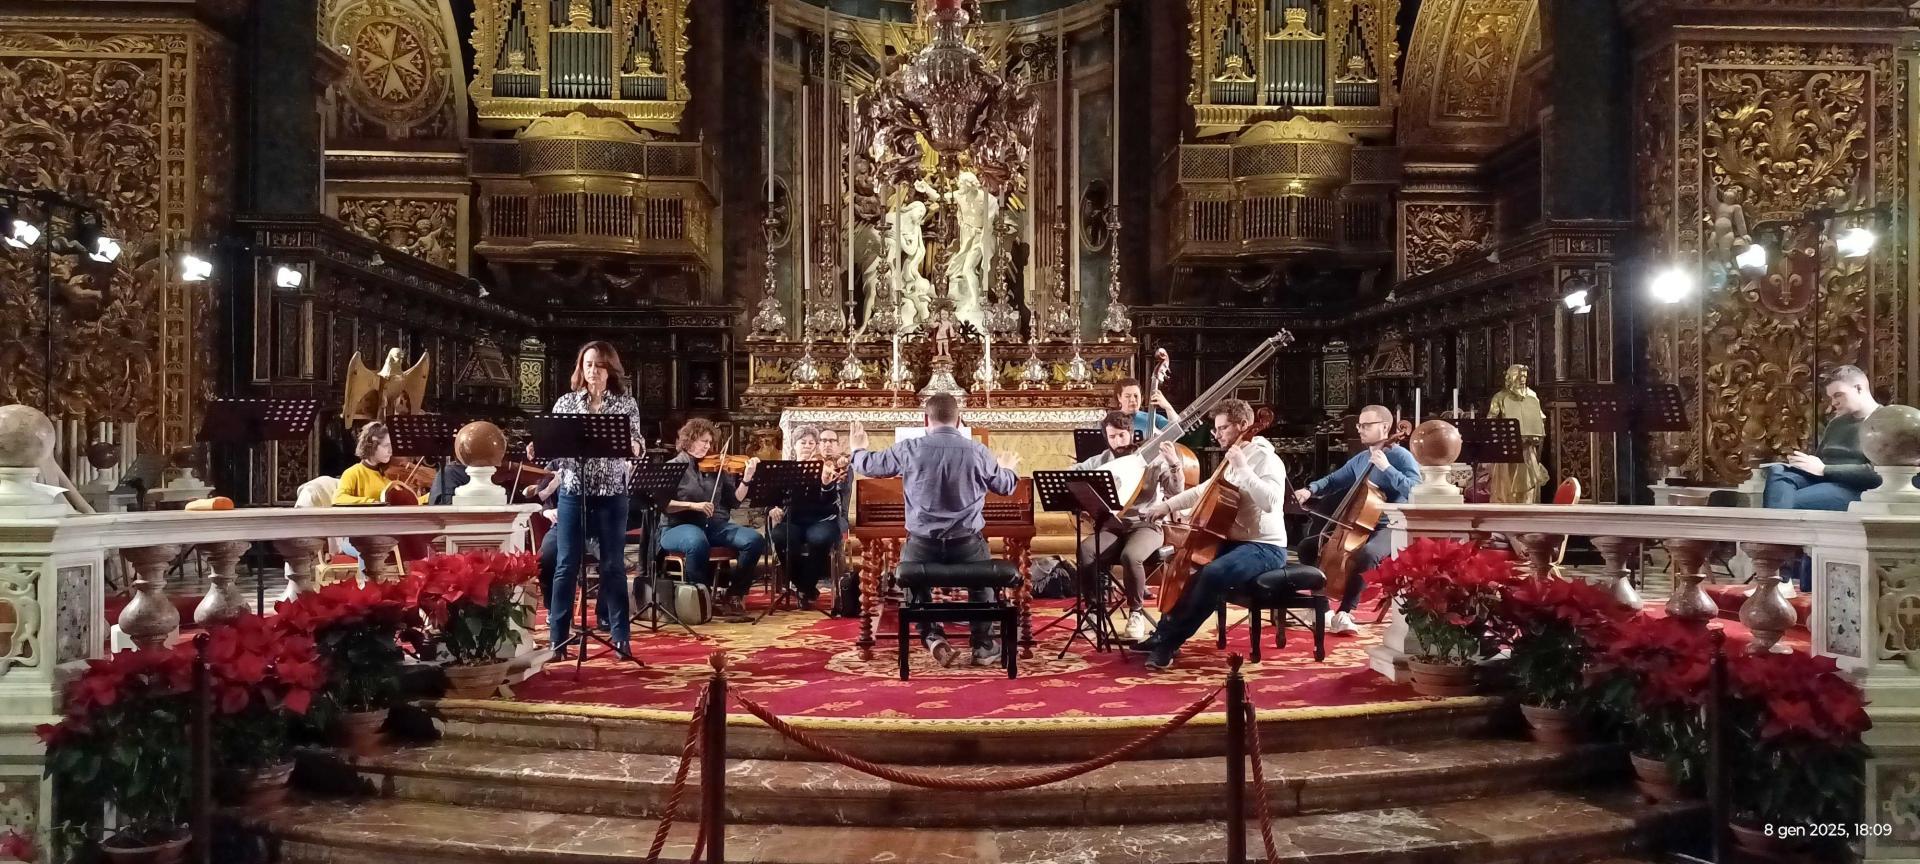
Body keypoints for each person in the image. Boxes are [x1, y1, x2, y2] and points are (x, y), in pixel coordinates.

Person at [849, 393, 1020, 666]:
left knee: (915, 583)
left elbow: (869, 466)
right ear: (959, 420)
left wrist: (857, 448)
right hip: (966, 544)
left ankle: (933, 639)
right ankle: (984, 646)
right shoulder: (977, 451)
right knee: (982, 586)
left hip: (922, 544)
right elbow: (1006, 486)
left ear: (925, 419)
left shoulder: (910, 448)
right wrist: (1008, 468)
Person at [1132, 399, 1286, 670]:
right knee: (1189, 570)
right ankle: (1161, 634)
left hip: (1265, 547)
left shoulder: (1266, 458)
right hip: (1233, 542)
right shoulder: (1232, 455)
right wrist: (1166, 505)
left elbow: (1271, 501)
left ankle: (1169, 643)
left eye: (1223, 428)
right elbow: (1204, 489)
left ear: (1243, 425)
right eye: (1217, 429)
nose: (1218, 435)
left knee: (1213, 574)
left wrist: (1243, 468)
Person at [536, 341, 645, 660]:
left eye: (599, 365)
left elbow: (637, 441)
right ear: (580, 369)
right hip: (574, 492)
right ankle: (558, 638)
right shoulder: (566, 403)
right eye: (587, 365)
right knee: (566, 565)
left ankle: (621, 637)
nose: (593, 371)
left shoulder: (625, 404)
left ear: (610, 369)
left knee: (613, 566)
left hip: (612, 494)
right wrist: (540, 447)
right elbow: (555, 448)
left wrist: (634, 448)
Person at [1292, 404, 1421, 635]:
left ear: (1384, 427)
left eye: (1366, 425)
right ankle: (1322, 608)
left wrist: (1387, 468)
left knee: (1368, 554)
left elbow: (1417, 490)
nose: (1359, 429)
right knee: (1308, 546)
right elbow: (1333, 480)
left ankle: (1345, 612)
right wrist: (1309, 490)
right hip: (1359, 525)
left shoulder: (1402, 456)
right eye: (1359, 425)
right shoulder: (1362, 458)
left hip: (1392, 525)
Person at [1071, 410, 1184, 641]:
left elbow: (1176, 492)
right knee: (1086, 550)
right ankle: (1094, 609)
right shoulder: (1101, 461)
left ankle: (1136, 612)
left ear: (1131, 434)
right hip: (1113, 526)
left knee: (1131, 556)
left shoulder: (1150, 461)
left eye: (1122, 435)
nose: (1117, 442)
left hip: (1147, 525)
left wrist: (1174, 464)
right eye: (1111, 437)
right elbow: (1072, 475)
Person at [661, 418, 768, 621]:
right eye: (704, 441)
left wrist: (747, 478)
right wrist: (694, 506)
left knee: (754, 540)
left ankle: (734, 594)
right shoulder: (673, 466)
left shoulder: (718, 466)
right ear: (689, 439)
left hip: (714, 525)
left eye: (710, 443)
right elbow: (664, 504)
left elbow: (735, 500)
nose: (708, 447)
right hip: (678, 526)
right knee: (696, 540)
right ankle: (701, 598)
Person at [1764, 365, 1884, 511]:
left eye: (1838, 395)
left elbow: (1877, 473)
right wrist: (1804, 464)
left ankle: (1776, 527)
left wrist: (1825, 469)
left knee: (1787, 502)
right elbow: (1819, 461)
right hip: (1822, 479)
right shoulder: (1836, 423)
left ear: (1858, 388)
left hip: (1854, 488)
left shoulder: (1884, 421)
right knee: (1778, 471)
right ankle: (1779, 525)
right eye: (1831, 397)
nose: (1833, 403)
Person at [768, 424, 848, 609]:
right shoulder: (785, 469)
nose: (807, 445)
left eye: (811, 442)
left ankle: (805, 587)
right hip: (793, 520)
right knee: (781, 536)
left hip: (822, 520)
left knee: (819, 538)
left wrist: (826, 484)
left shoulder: (825, 467)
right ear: (794, 445)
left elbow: (829, 501)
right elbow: (773, 496)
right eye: (803, 442)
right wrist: (773, 508)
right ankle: (804, 587)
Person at [1487, 364, 1549, 504]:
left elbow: (1540, 419)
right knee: (1505, 493)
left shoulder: (1532, 396)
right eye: (1519, 376)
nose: (1522, 379)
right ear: (1510, 378)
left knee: (1528, 494)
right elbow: (1491, 422)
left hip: (1527, 452)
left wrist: (1536, 433)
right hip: (1506, 454)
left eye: (1525, 377)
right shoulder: (1500, 397)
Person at [334, 422, 393, 505]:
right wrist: (371, 502)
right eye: (386, 445)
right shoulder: (353, 473)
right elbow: (338, 498)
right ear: (372, 445)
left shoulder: (385, 474)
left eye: (391, 447)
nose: (390, 451)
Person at [1114, 378, 1180, 439]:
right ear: (1119, 397)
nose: (1132, 399)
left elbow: (1176, 430)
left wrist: (1168, 407)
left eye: (1136, 396)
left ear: (1141, 397)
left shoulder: (1154, 418)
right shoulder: (1110, 421)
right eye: (1127, 396)